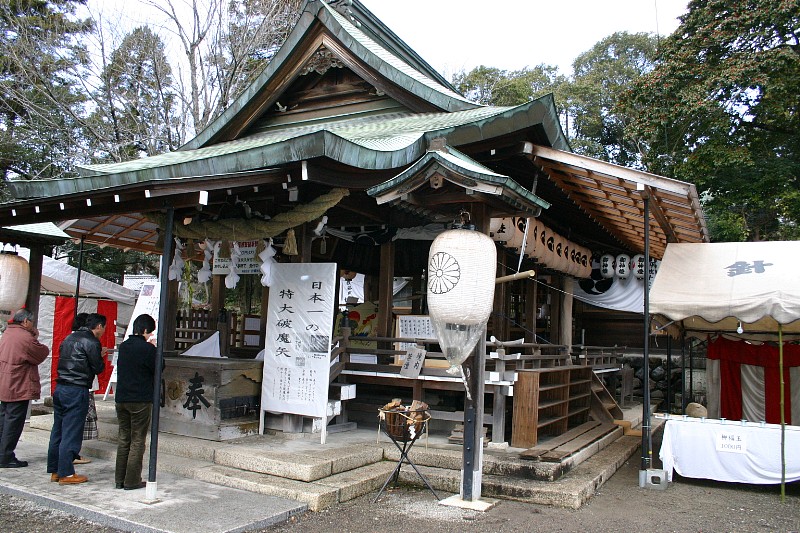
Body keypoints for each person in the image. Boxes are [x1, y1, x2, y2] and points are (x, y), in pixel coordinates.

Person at [47, 313, 106, 485]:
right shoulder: (92, 342)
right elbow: (98, 367)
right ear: (99, 326)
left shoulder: (68, 338)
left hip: (61, 387)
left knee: (58, 430)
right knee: (71, 432)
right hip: (77, 389)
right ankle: (66, 473)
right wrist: (100, 355)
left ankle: (55, 469)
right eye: (104, 328)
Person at [0, 309, 50, 468]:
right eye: (32, 322)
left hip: (5, 382)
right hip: (18, 384)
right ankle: (5, 456)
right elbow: (42, 353)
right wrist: (34, 336)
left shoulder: (8, 333)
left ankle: (3, 454)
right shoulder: (25, 338)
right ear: (26, 321)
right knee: (13, 423)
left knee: (4, 419)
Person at [114, 313, 159, 490]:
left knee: (124, 438)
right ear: (145, 330)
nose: (150, 335)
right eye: (150, 332)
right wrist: (154, 349)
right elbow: (158, 367)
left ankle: (119, 479)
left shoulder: (124, 346)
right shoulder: (147, 349)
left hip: (122, 397)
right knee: (138, 440)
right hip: (140, 399)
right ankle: (132, 480)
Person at [70, 313, 95, 466]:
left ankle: (60, 461)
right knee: (75, 424)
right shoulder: (85, 341)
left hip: (67, 385)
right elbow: (95, 365)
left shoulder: (68, 339)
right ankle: (72, 455)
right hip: (79, 386)